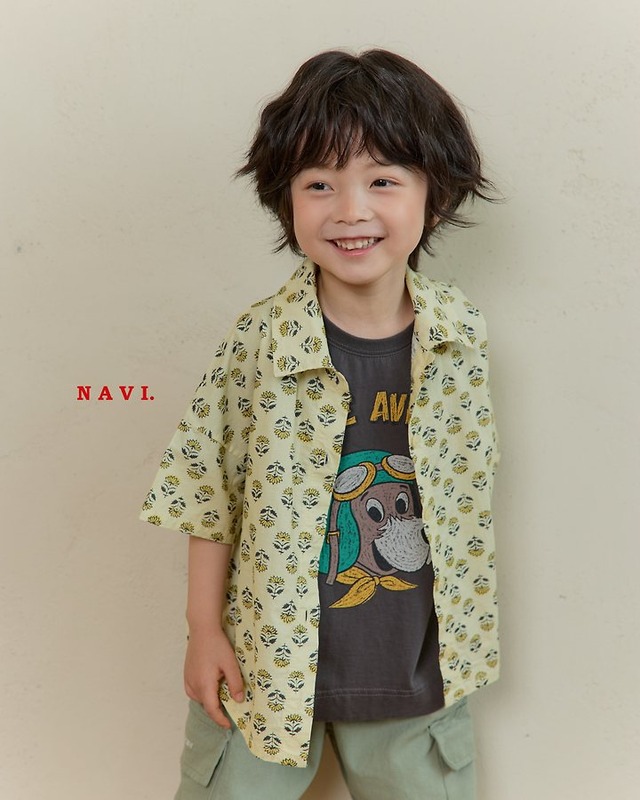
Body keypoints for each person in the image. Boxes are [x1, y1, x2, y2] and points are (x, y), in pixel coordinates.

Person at [141, 48, 500, 800]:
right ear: (287, 203)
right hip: (264, 666)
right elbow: (207, 494)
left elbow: (467, 496)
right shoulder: (259, 340)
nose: (350, 210)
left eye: (382, 181)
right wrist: (203, 631)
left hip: (415, 672)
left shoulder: (459, 336)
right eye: (319, 184)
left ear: (433, 198)